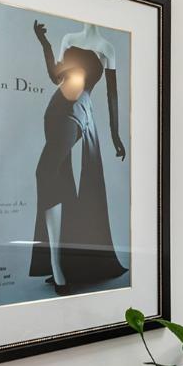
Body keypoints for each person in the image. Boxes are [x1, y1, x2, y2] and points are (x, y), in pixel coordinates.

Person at [28, 19, 128, 293]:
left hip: (78, 111)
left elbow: (112, 94)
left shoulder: (107, 47)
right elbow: (54, 76)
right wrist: (45, 42)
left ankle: (58, 267)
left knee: (44, 172)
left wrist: (115, 135)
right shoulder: (69, 38)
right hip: (56, 107)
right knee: (55, 177)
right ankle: (61, 263)